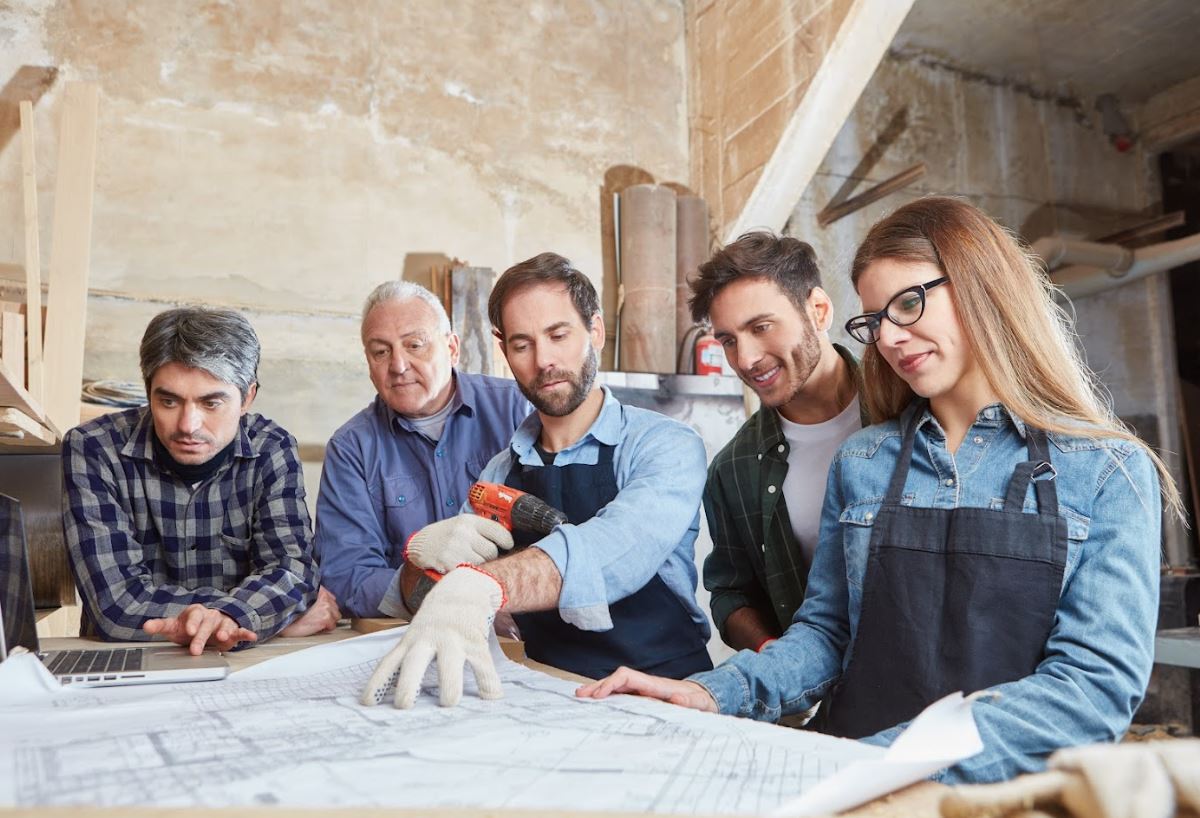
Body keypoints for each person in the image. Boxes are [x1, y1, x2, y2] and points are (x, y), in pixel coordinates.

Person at [578, 197, 1182, 784]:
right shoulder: (864, 460)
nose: (889, 339)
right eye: (875, 320)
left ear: (982, 285)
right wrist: (710, 693)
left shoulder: (1107, 470)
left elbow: (1090, 690)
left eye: (910, 304)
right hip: (845, 776)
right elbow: (827, 634)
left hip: (984, 797)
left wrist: (887, 764)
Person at [361, 252, 712, 708]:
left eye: (558, 335)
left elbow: (616, 548)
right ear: (504, 351)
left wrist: (486, 585)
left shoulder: (664, 445)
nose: (544, 360)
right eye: (523, 344)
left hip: (666, 692)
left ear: (596, 332)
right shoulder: (499, 474)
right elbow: (435, 594)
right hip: (550, 692)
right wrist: (419, 563)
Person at [62, 308, 340, 654]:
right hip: (132, 660)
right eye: (168, 401)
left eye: (211, 403)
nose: (188, 425)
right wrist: (247, 617)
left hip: (243, 663)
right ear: (148, 391)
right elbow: (116, 605)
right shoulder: (93, 448)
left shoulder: (272, 447)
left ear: (247, 398)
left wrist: (235, 617)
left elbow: (291, 570)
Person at [689, 231, 866, 652]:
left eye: (761, 327)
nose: (746, 359)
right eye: (729, 340)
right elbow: (731, 593)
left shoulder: (906, 410)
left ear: (818, 310)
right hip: (821, 702)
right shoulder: (734, 468)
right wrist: (774, 653)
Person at [314, 281, 529, 619]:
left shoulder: (519, 411)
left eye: (415, 345)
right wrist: (439, 593)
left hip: (524, 623)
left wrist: (504, 592)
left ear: (452, 348)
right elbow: (347, 577)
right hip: (413, 632)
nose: (398, 365)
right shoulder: (351, 448)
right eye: (380, 352)